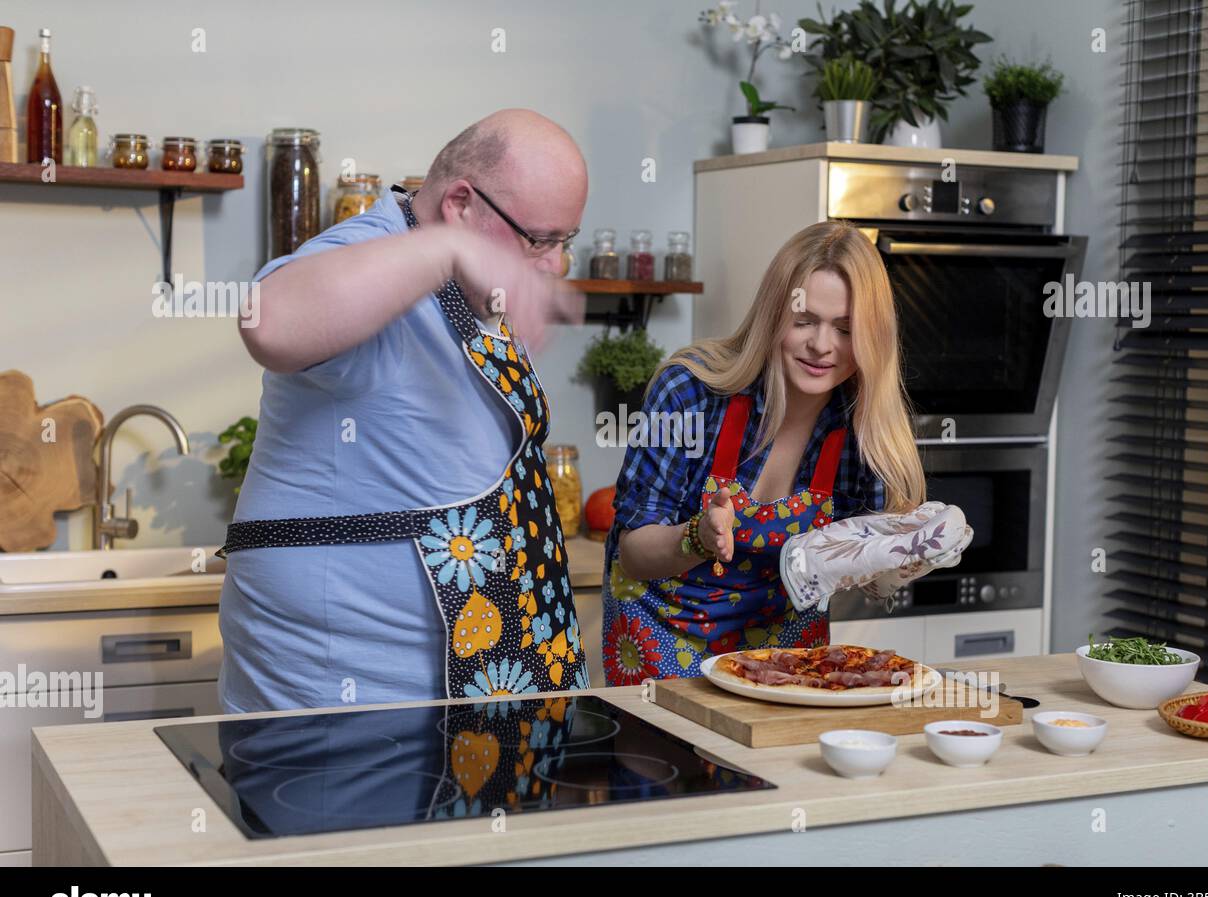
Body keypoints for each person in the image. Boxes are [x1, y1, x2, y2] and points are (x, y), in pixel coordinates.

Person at [218, 109, 591, 713]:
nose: (554, 264)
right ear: (461, 206)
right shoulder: (372, 248)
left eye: (564, 241)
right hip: (347, 698)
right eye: (539, 239)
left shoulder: (469, 291)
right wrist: (445, 248)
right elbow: (270, 322)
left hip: (470, 682)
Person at [601, 221, 927, 684]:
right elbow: (634, 552)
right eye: (804, 321)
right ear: (774, 314)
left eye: (845, 329)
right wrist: (698, 538)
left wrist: (906, 557)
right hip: (662, 651)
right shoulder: (689, 393)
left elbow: (869, 574)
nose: (821, 345)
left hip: (787, 663)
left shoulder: (863, 425)